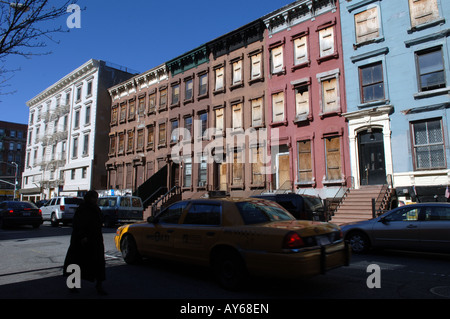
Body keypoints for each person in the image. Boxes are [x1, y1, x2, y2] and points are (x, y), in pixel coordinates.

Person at [63, 190, 107, 295]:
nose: (95, 200)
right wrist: (82, 236)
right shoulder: (83, 209)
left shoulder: (95, 208)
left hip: (95, 240)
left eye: (96, 197)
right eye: (93, 197)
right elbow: (78, 224)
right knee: (76, 262)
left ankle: (99, 285)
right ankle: (72, 285)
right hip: (82, 241)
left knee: (98, 263)